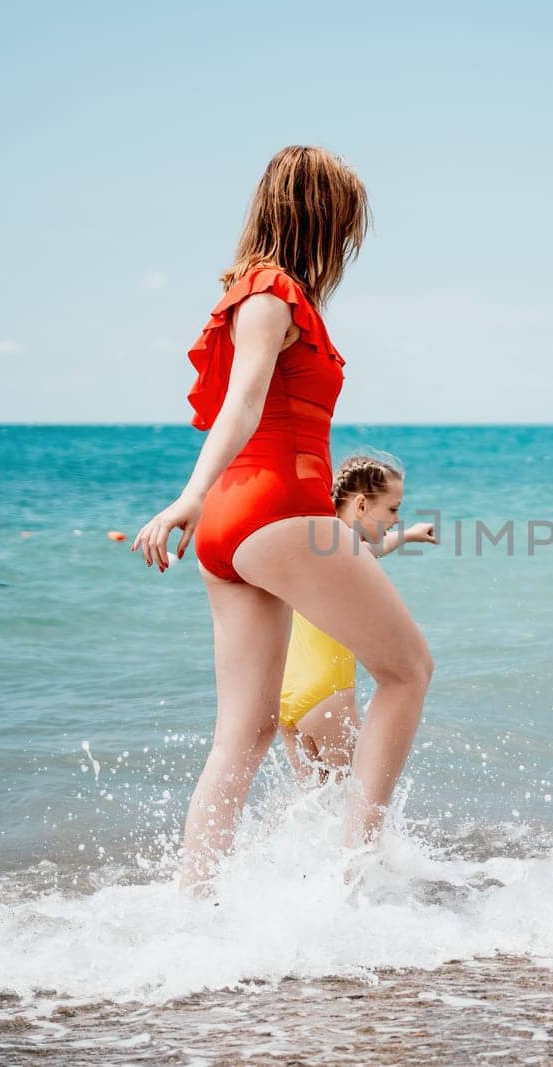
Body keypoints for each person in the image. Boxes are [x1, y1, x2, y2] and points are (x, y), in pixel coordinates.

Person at [130, 146, 433, 889]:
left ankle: (191, 900)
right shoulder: (271, 293)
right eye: (342, 226)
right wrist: (189, 495)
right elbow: (242, 401)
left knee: (247, 729)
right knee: (409, 672)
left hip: (234, 527)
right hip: (275, 508)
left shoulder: (255, 293)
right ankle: (355, 878)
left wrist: (205, 507)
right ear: (316, 219)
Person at [279, 452, 437, 787]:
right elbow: (366, 552)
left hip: (289, 696)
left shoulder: (319, 541)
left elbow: (371, 550)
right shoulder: (344, 546)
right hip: (327, 691)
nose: (396, 518)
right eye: (393, 509)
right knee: (354, 801)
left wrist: (409, 534)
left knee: (311, 803)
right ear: (362, 505)